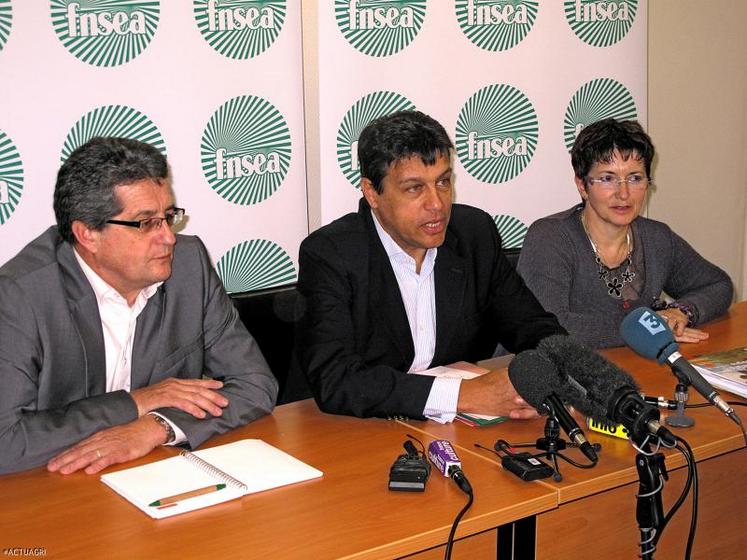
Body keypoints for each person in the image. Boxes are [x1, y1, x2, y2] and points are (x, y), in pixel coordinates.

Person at [0, 137, 278, 475]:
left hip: (156, 474)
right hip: (54, 489)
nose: (169, 238)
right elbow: (6, 442)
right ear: (88, 234)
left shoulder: (189, 265)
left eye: (169, 216)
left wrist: (156, 426)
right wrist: (139, 402)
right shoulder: (20, 297)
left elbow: (255, 384)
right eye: (146, 223)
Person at [291, 110, 566, 420]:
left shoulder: (473, 234)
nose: (437, 204)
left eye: (443, 182)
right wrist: (463, 396)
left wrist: (555, 375)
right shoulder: (331, 254)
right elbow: (337, 381)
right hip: (352, 430)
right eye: (414, 188)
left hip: (455, 432)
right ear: (372, 192)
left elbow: (532, 326)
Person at [517, 118, 733, 349]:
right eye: (608, 178)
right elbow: (550, 327)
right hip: (548, 374)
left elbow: (718, 285)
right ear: (582, 185)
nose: (624, 193)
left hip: (630, 367)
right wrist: (645, 327)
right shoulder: (550, 237)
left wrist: (681, 312)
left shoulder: (657, 237)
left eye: (635, 178)